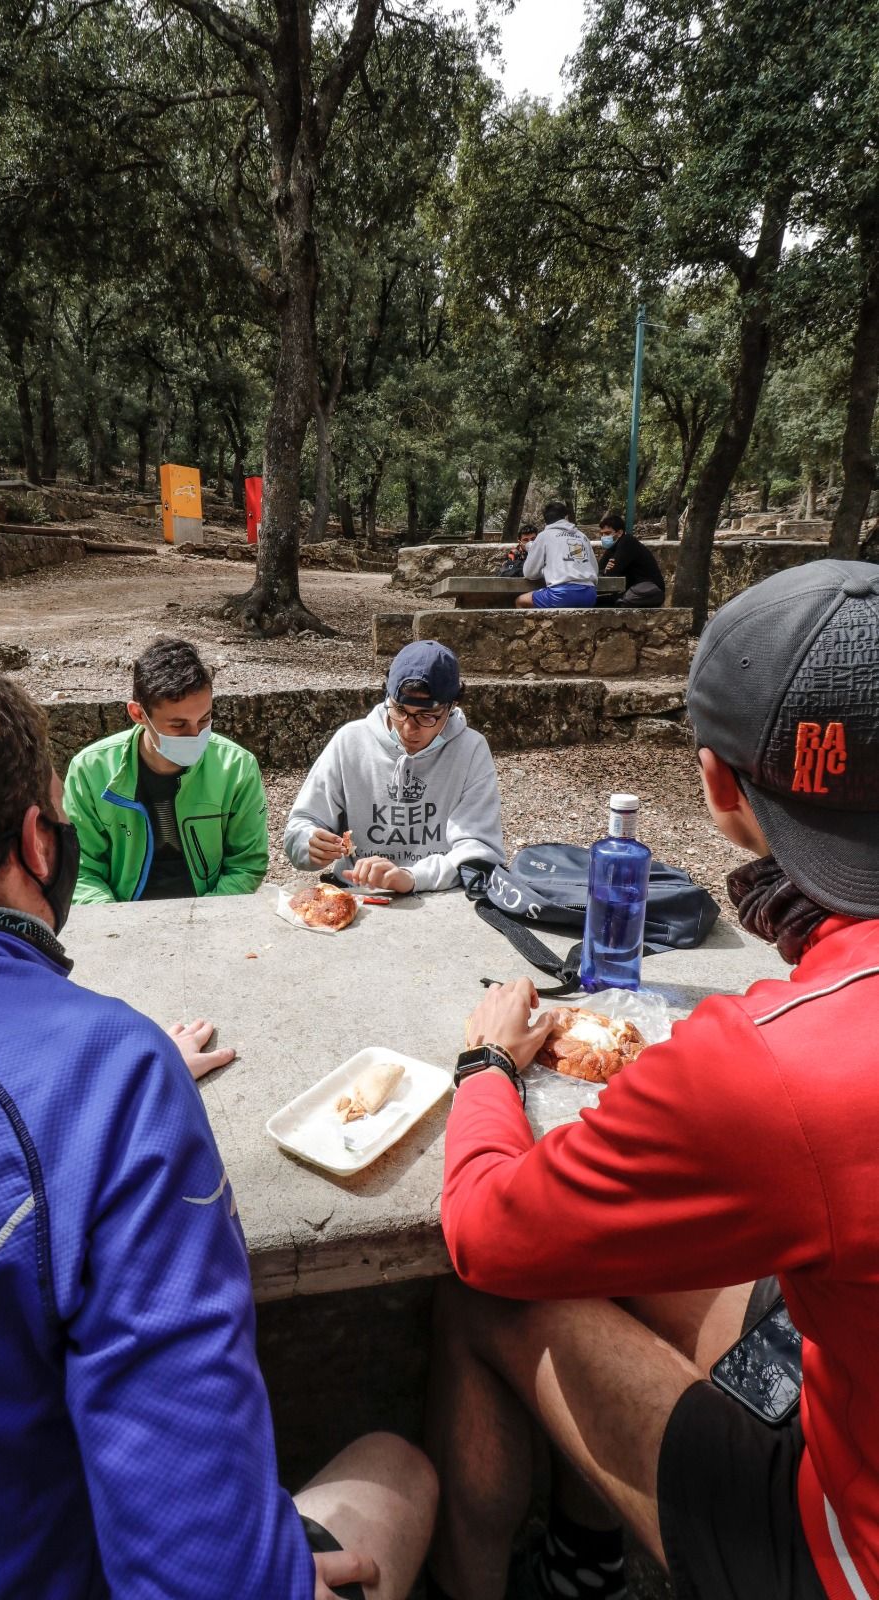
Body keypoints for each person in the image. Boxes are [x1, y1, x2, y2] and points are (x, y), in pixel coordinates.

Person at [0, 645, 437, 1600]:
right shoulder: (107, 1081)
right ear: (37, 843)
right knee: (398, 1472)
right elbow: (198, 1559)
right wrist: (104, 1078)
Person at [426, 560, 879, 1600]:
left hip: (844, 1557)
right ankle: (590, 1562)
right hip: (843, 1373)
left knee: (484, 1295)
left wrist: (487, 1062)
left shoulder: (771, 1061)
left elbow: (489, 1228)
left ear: (719, 787)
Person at [283, 640, 504, 894]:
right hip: (355, 893)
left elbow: (480, 851)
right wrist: (308, 844)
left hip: (439, 894)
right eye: (400, 710)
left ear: (452, 707)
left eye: (426, 716)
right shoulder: (350, 740)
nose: (409, 729)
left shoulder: (471, 749)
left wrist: (411, 877)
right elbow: (301, 824)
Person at [64, 636, 268, 902]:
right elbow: (80, 871)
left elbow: (246, 865)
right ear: (138, 714)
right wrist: (117, 924)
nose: (195, 735)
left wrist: (205, 920)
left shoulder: (237, 768)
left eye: (205, 719)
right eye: (178, 725)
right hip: (122, 916)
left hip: (212, 912)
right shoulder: (91, 771)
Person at [513, 501, 599, 609]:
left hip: (561, 595)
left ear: (545, 519)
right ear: (565, 517)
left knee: (521, 601)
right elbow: (594, 570)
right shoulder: (582, 536)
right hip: (589, 595)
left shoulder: (544, 536)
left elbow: (530, 573)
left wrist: (546, 571)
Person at [596, 511, 666, 607]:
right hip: (631, 591)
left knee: (605, 603)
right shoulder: (612, 548)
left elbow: (612, 572)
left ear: (619, 532)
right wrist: (605, 570)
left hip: (647, 591)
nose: (604, 537)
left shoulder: (627, 542)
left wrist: (607, 570)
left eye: (607, 533)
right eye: (602, 534)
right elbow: (598, 570)